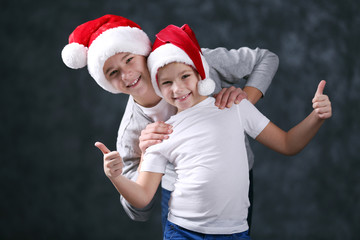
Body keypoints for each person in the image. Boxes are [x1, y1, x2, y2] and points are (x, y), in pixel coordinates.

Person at [95, 24, 332, 239]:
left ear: (201, 72)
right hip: (181, 227)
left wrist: (315, 116)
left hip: (232, 226)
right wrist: (118, 174)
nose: (177, 88)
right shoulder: (157, 134)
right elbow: (140, 200)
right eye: (166, 83)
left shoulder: (232, 104)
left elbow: (288, 144)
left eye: (185, 76)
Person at [61, 14, 279, 233]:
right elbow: (138, 209)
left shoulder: (192, 63)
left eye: (129, 59)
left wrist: (244, 101)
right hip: (181, 202)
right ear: (107, 83)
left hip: (235, 182)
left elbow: (266, 59)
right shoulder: (131, 131)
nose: (127, 75)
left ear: (142, 52)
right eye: (113, 73)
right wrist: (144, 158)